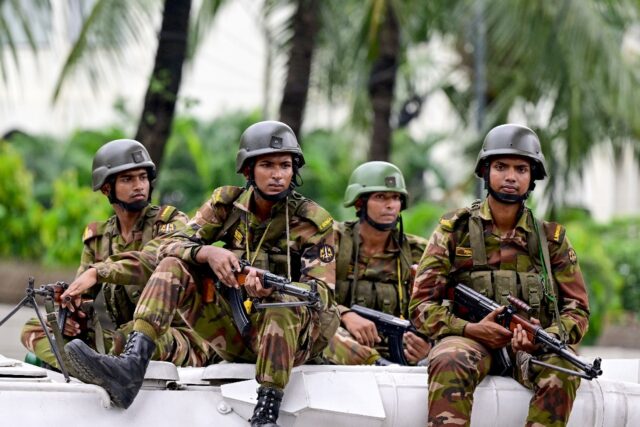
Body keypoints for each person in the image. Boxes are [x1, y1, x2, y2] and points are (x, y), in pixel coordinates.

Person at [64, 121, 340, 426]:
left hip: (293, 341)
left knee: (282, 309)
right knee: (174, 267)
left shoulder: (314, 223)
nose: (277, 174)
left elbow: (323, 295)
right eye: (267, 165)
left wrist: (274, 291)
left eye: (285, 165)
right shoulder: (226, 205)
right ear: (248, 171)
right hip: (238, 331)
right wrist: (207, 252)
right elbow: (168, 248)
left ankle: (266, 413)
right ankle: (131, 367)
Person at [410, 124, 591, 427]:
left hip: (529, 348)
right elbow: (421, 305)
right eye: (501, 167)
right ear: (485, 171)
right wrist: (469, 330)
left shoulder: (551, 240)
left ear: (532, 177)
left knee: (564, 365)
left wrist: (546, 336)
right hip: (469, 341)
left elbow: (578, 308)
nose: (510, 176)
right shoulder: (454, 230)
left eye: (521, 169)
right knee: (449, 358)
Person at [21, 139, 214, 369]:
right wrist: (73, 318)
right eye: (127, 179)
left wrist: (97, 272)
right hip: (124, 340)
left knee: (129, 338)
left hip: (177, 337)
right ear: (106, 188)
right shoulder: (98, 237)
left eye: (143, 177)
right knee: (35, 327)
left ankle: (90, 368)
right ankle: (84, 369)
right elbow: (84, 298)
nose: (139, 185)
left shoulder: (171, 222)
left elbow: (151, 260)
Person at [322, 161, 431, 366]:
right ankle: (376, 364)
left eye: (396, 198)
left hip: (400, 349)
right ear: (359, 203)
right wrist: (344, 314)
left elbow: (439, 309)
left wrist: (426, 346)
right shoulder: (332, 241)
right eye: (380, 197)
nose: (390, 205)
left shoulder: (418, 252)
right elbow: (307, 294)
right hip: (345, 346)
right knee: (321, 329)